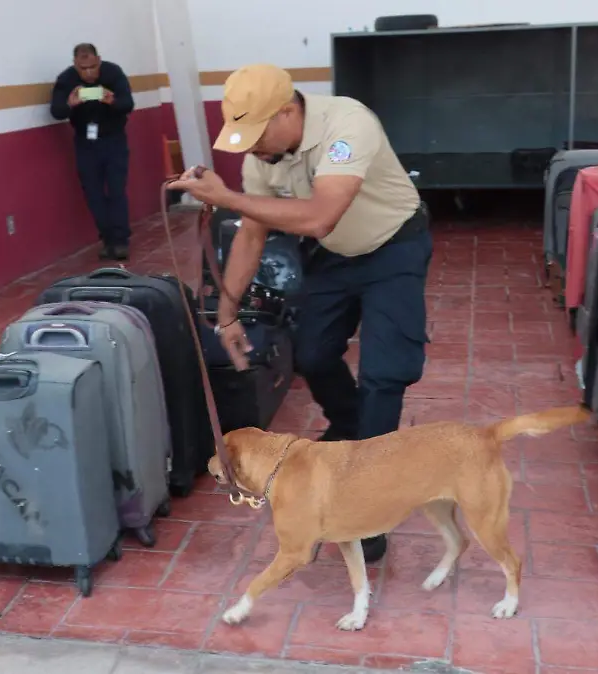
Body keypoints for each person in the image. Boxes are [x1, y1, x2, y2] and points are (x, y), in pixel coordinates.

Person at [171, 64, 431, 563]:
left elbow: (319, 214)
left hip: (393, 247)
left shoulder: (346, 125)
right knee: (311, 353)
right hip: (334, 255)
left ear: (289, 110)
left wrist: (225, 198)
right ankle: (351, 424)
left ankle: (370, 501)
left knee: (384, 373)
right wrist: (227, 314)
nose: (253, 149)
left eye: (257, 134)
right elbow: (251, 232)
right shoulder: (262, 158)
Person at [50, 43, 135, 261]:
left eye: (92, 67)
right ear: (75, 65)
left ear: (99, 60)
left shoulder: (113, 72)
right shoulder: (67, 79)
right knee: (93, 193)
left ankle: (121, 241)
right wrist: (70, 104)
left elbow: (128, 103)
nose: (88, 73)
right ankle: (107, 240)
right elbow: (56, 111)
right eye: (82, 69)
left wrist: (112, 101)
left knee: (116, 191)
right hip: (85, 143)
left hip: (114, 140)